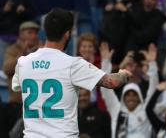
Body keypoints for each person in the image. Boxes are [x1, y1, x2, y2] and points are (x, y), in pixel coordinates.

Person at [11, 8, 131, 138]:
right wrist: (124, 73)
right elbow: (112, 82)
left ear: (45, 31)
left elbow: (16, 87)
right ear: (68, 34)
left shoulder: (23, 62)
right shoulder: (73, 64)